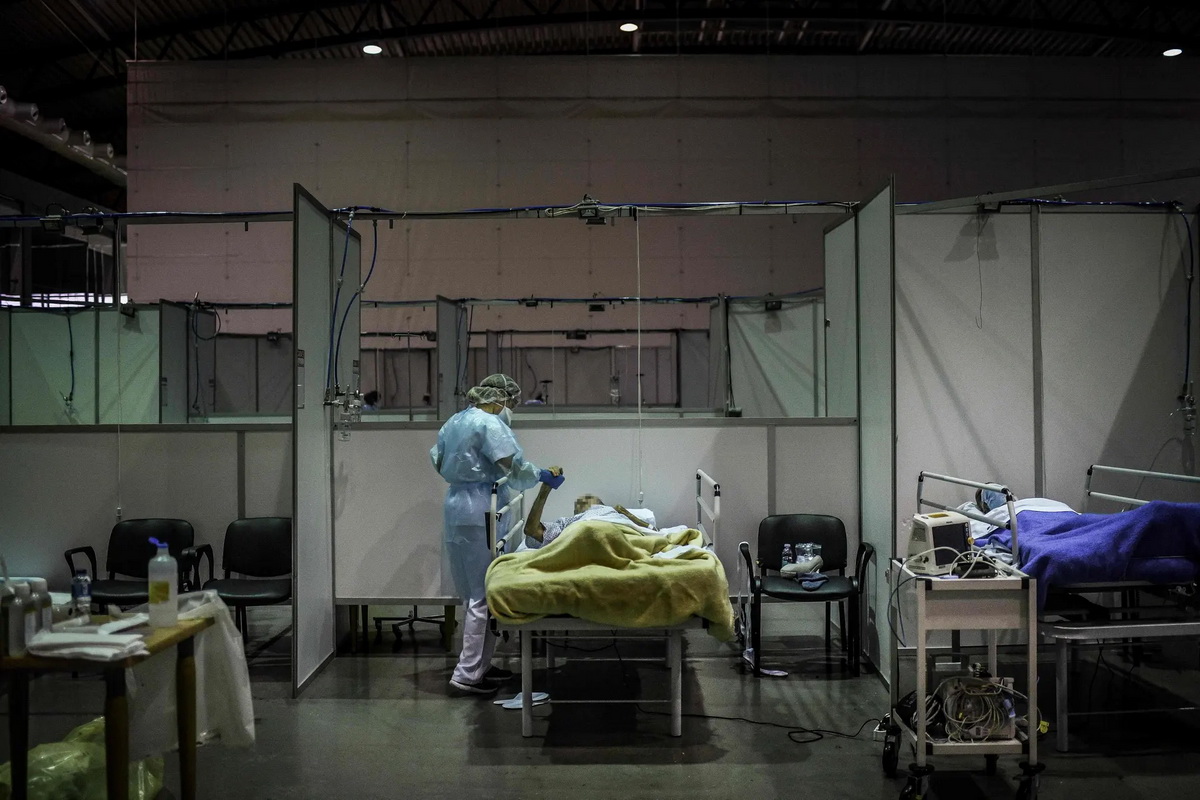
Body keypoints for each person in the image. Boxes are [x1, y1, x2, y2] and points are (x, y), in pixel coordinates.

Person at [430, 373, 561, 696]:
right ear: (499, 398)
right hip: (480, 507)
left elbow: (438, 459)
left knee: (471, 592)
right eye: (511, 402)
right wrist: (540, 475)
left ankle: (480, 666)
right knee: (483, 593)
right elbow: (512, 467)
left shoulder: (454, 422)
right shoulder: (489, 423)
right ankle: (467, 676)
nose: (511, 408)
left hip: (456, 504)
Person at [523, 490, 656, 549]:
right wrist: (545, 490)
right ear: (576, 513)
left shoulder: (616, 514)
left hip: (620, 532)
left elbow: (654, 532)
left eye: (590, 500)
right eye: (580, 504)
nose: (584, 501)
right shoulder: (570, 522)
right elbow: (532, 530)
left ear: (602, 505)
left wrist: (627, 514)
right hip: (585, 533)